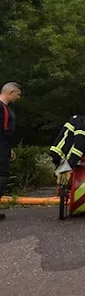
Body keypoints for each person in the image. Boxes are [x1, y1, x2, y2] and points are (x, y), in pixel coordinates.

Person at [0, 82, 22, 219]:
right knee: (1, 176)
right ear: (11, 92)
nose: (18, 98)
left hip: (4, 147)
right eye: (18, 95)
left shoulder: (5, 108)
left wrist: (9, 149)